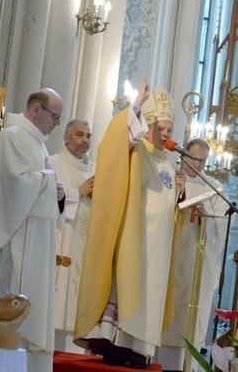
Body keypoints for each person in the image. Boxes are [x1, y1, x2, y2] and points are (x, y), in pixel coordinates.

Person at [73, 77, 186, 367]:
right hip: (135, 238)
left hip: (157, 247)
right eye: (158, 128)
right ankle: (118, 341)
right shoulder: (135, 151)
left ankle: (140, 348)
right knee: (128, 286)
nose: (164, 134)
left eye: (169, 129)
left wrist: (181, 191)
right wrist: (137, 104)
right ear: (146, 128)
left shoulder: (170, 163)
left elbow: (169, 206)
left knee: (151, 291)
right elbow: (119, 138)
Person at [0, 88, 66, 371]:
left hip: (34, 242)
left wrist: (55, 188)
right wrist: (51, 181)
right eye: (55, 116)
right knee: (14, 306)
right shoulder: (12, 136)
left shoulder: (37, 143)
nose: (56, 124)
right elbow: (18, 187)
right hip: (16, 244)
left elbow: (39, 183)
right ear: (36, 110)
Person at [159, 138, 230, 370]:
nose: (197, 165)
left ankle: (188, 365)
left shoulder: (215, 188)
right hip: (170, 254)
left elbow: (224, 223)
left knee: (190, 311)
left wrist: (204, 215)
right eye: (193, 158)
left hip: (198, 260)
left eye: (202, 161)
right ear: (183, 155)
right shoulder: (169, 177)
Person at [50, 119, 96, 353]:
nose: (85, 140)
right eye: (79, 135)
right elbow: (48, 201)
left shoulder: (94, 169)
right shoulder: (53, 163)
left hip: (86, 244)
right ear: (66, 137)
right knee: (59, 307)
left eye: (88, 136)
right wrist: (77, 193)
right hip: (63, 241)